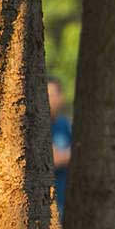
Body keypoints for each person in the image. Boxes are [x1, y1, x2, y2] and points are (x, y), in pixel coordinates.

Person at [47, 76, 73, 215]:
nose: (49, 99)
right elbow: (51, 159)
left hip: (65, 199)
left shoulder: (64, 124)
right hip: (48, 201)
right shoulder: (39, 127)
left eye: (52, 95)